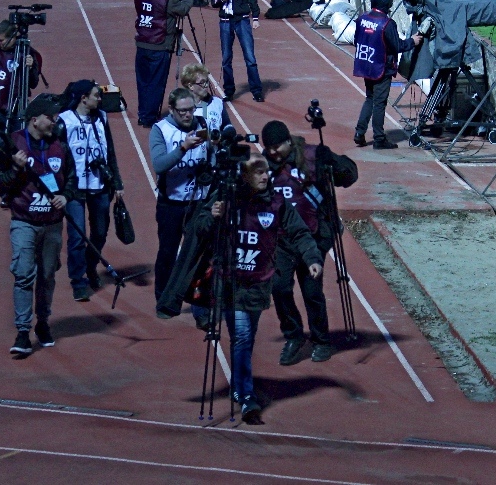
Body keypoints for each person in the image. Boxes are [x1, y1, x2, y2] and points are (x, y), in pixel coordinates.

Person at [171, 153, 322, 422]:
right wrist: (212, 216)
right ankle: (247, 398)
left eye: (266, 171)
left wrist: (312, 258)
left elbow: (299, 232)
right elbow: (198, 228)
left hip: (260, 283)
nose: (265, 176)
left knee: (248, 338)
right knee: (241, 336)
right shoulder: (226, 199)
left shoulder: (277, 203)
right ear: (244, 175)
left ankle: (239, 386)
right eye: (258, 172)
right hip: (231, 282)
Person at [261, 120, 358, 364]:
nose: (273, 152)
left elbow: (349, 175)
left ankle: (321, 340)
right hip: (280, 239)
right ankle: (294, 336)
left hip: (312, 238)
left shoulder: (312, 157)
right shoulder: (264, 165)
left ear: (288, 141)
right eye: (268, 148)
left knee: (311, 291)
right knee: (279, 288)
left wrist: (333, 163)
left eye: (276, 147)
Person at [0, 95, 77, 356]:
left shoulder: (60, 145)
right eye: (50, 117)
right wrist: (16, 170)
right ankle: (22, 332)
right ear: (34, 120)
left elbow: (72, 179)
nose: (55, 122)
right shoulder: (13, 144)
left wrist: (66, 196)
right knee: (24, 275)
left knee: (47, 276)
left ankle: (43, 322)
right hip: (24, 222)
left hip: (52, 224)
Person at [57, 80, 124, 302]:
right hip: (74, 188)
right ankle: (78, 281)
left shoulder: (102, 118)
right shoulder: (64, 121)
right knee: (77, 236)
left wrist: (117, 183)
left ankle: (90, 265)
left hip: (100, 184)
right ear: (83, 98)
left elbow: (110, 151)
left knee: (100, 232)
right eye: (96, 95)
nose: (100, 99)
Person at [149, 88, 212, 317]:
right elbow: (159, 165)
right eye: (183, 111)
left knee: (200, 255)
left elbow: (210, 155)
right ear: (172, 109)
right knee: (168, 253)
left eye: (191, 110)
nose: (188, 115)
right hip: (172, 204)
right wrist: (183, 148)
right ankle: (163, 300)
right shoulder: (160, 130)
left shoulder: (202, 124)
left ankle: (199, 305)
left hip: (198, 202)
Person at [353, 0, 423, 149]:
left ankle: (359, 133)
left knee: (370, 98)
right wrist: (413, 41)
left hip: (366, 65)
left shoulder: (362, 18)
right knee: (379, 103)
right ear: (388, 5)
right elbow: (398, 46)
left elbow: (357, 40)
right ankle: (379, 139)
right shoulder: (387, 23)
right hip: (381, 68)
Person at [134, 0, 193, 128]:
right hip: (159, 45)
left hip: (142, 43)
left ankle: (143, 114)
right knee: (156, 83)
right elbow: (183, 10)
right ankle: (150, 117)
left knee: (143, 82)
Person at [210, 0, 264, 103]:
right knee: (226, 58)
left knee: (250, 58)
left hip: (242, 20)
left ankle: (257, 90)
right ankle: (229, 91)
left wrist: (255, 18)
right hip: (225, 21)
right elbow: (213, 2)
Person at [180, 63, 231, 133]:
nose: (206, 85)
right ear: (191, 86)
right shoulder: (183, 109)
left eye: (207, 81)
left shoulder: (217, 102)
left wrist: (229, 131)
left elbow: (226, 124)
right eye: (202, 82)